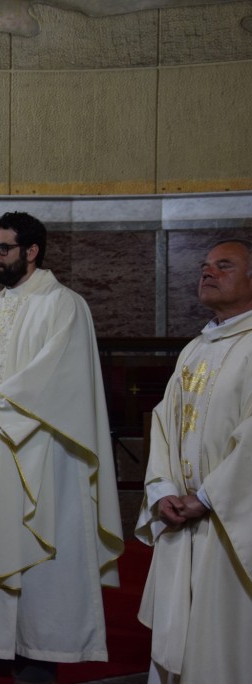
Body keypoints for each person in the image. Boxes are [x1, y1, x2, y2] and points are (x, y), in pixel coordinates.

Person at [0, 212, 123, 684]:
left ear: (32, 251)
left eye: (3, 248)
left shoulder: (64, 305)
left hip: (40, 450)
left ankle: (43, 653)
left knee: (39, 543)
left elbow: (55, 376)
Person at [135, 238, 252, 684]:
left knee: (221, 644)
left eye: (224, 266)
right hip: (183, 520)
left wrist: (206, 497)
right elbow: (163, 425)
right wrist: (163, 490)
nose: (208, 272)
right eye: (205, 266)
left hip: (229, 523)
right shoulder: (195, 349)